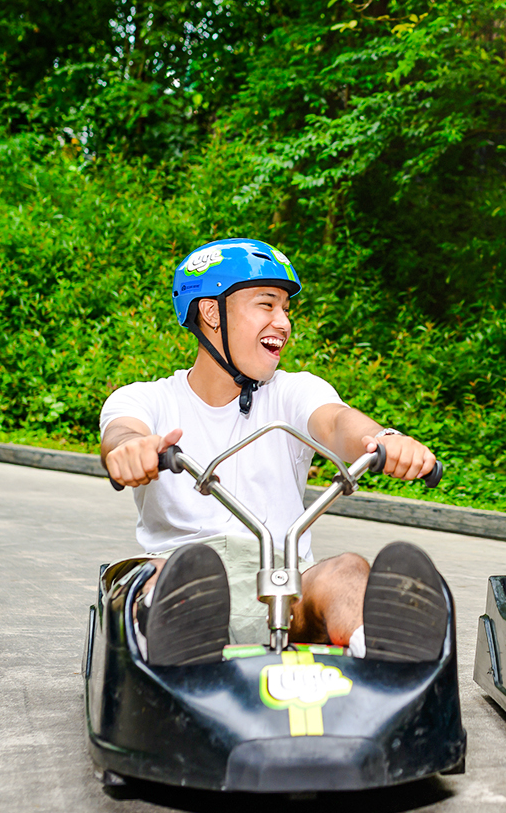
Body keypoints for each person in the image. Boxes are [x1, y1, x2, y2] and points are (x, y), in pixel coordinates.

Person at [100, 238, 449, 666]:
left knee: (347, 572)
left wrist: (385, 439)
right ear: (211, 313)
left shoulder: (294, 391)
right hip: (187, 576)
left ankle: (384, 661)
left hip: (286, 587)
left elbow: (338, 422)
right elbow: (121, 432)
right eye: (267, 305)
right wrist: (130, 450)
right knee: (155, 578)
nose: (283, 323)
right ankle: (177, 656)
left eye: (286, 309)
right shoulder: (148, 399)